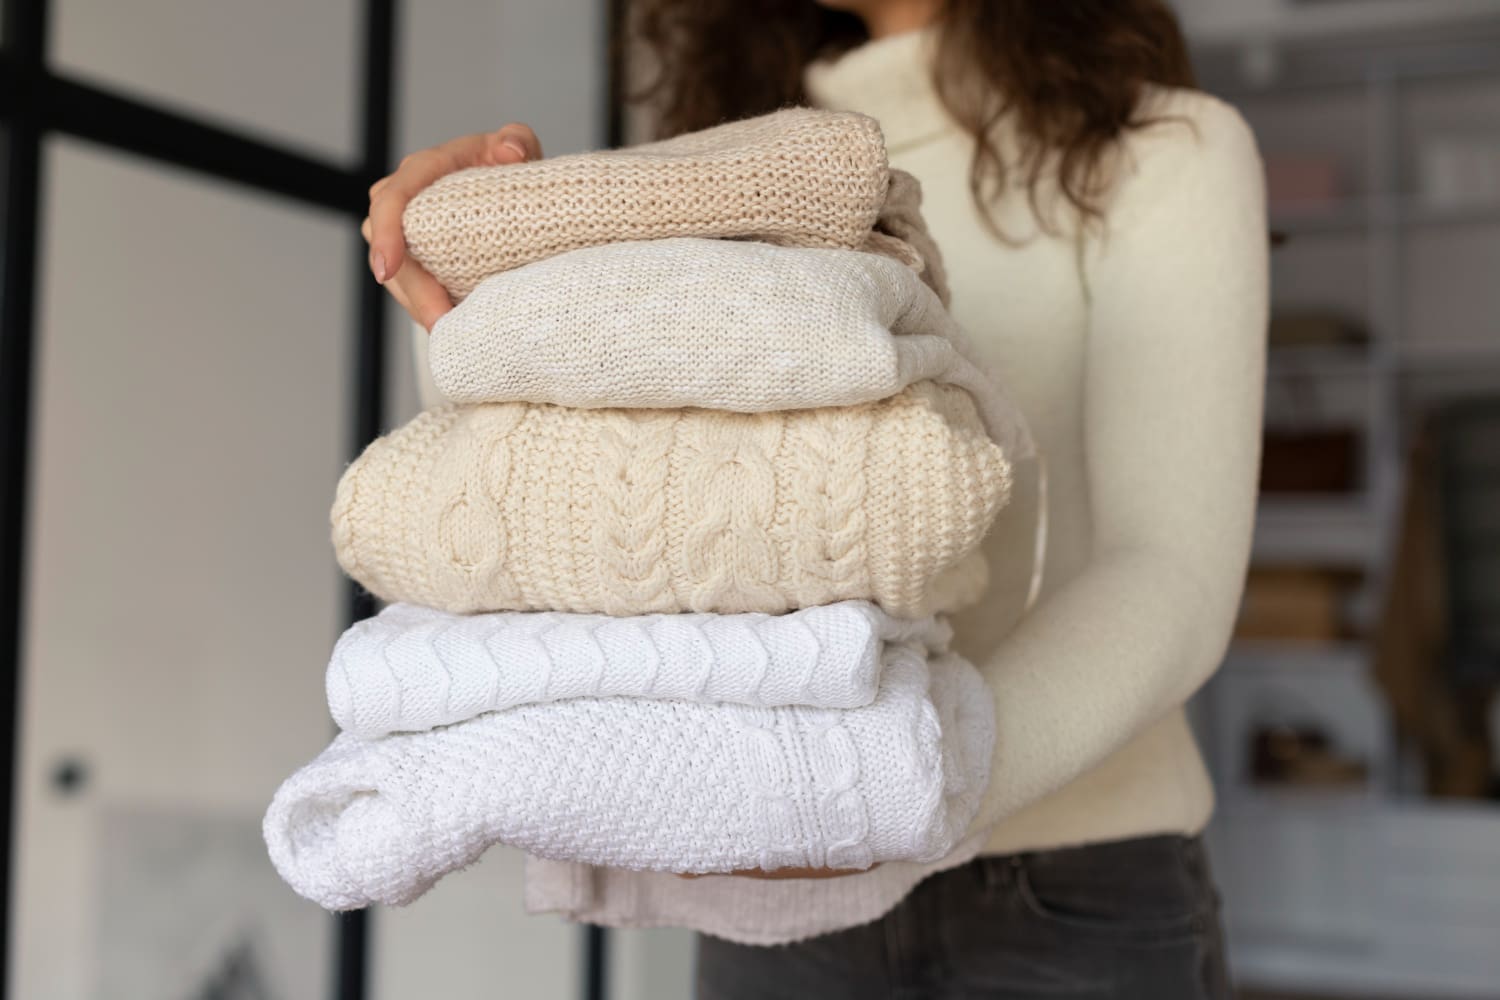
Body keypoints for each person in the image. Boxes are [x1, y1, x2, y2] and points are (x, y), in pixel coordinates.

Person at [362, 1, 1268, 996]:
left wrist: (899, 784)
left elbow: (1169, 571)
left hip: (1070, 892)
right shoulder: (720, 171)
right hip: (770, 892)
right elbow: (536, 486)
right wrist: (474, 264)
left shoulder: (1161, 151)